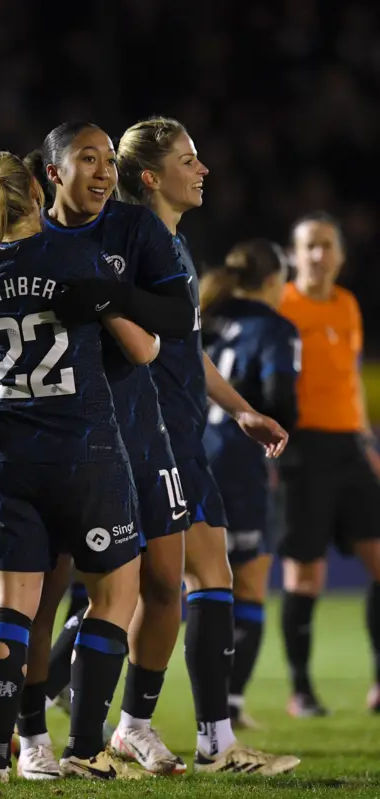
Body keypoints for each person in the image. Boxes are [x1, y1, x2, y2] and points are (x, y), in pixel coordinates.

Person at [0, 148, 157, 783]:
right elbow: (143, 350)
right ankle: (84, 747)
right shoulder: (73, 255)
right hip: (86, 454)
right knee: (115, 595)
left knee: (10, 607)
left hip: (9, 462)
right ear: (37, 189)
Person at [99, 116, 298, 774]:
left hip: (187, 433)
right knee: (162, 586)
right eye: (189, 159)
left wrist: (242, 410)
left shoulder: (175, 246)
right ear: (152, 177)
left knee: (202, 577)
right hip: (151, 433)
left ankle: (201, 734)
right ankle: (111, 711)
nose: (203, 168)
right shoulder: (132, 239)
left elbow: (187, 351)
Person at [8, 120, 198, 777]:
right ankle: (34, 733)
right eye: (86, 160)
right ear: (54, 172)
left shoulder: (133, 230)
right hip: (66, 442)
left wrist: (112, 295)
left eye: (107, 160)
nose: (101, 171)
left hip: (141, 433)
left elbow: (177, 317)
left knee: (166, 582)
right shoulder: (27, 240)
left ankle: (132, 726)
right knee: (51, 591)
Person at [277, 211, 380, 717]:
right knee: (305, 578)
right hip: (303, 451)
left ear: (340, 255)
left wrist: (365, 438)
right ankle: (301, 691)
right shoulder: (281, 306)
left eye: (326, 246)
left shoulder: (347, 305)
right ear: (294, 255)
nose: (318, 255)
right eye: (309, 246)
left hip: (350, 449)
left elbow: (351, 379)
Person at [199, 240, 301, 728]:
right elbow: (282, 399)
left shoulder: (206, 315)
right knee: (250, 586)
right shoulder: (275, 328)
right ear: (273, 282)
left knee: (152, 586)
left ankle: (63, 687)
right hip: (240, 465)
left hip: (188, 457)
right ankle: (229, 706)